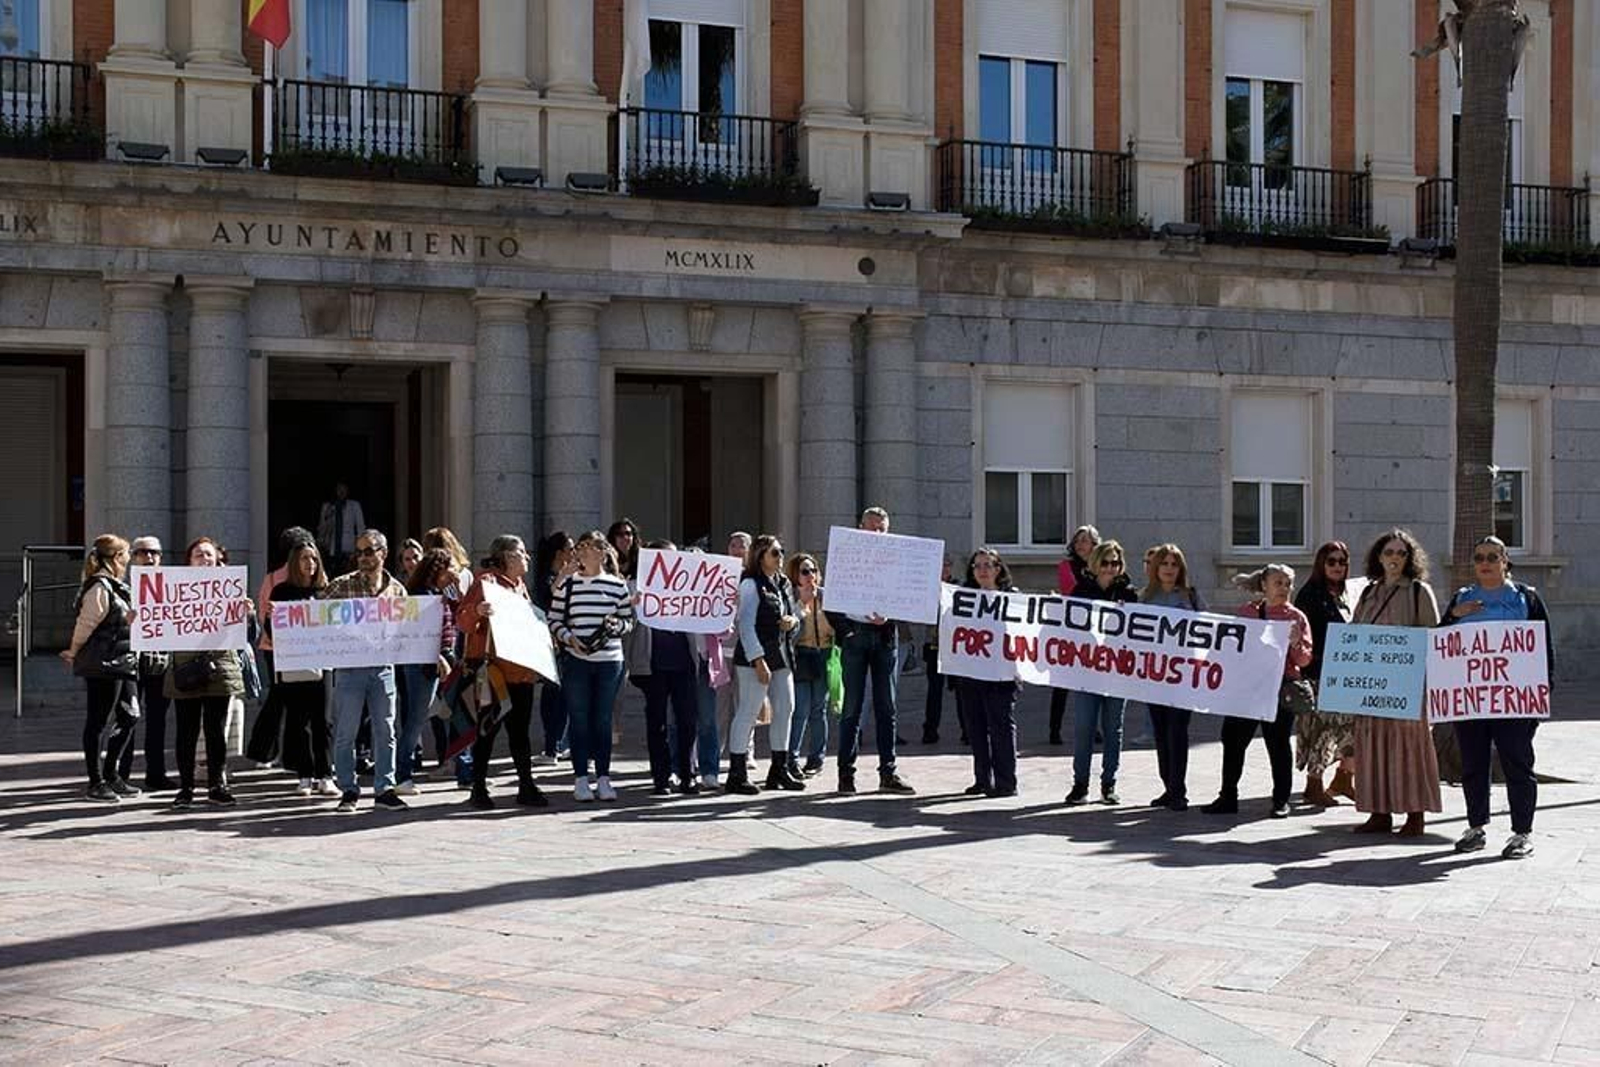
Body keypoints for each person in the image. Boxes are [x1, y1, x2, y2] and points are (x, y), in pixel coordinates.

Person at [1443, 536, 1554, 860]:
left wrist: (1542, 693)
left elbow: (1543, 648)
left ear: (1505, 561)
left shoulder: (1526, 598)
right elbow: (1442, 644)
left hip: (1514, 701)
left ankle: (1522, 833)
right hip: (1472, 701)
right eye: (1479, 557)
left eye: (1493, 556)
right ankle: (1476, 828)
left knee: (1517, 764)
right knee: (1473, 765)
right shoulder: (1462, 597)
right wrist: (1453, 616)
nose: (1486, 563)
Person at [1348, 529, 1442, 837]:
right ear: (1379, 556)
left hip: (1406, 685)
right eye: (1389, 553)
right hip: (1371, 685)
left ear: (1409, 558)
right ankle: (1379, 812)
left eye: (1401, 553)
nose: (1394, 559)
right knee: (1373, 745)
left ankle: (1415, 814)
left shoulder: (1418, 591)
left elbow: (1432, 636)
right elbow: (1355, 633)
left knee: (1409, 748)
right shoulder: (1367, 593)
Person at [1202, 563, 1314, 818]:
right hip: (1247, 690)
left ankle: (1281, 800)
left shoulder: (1297, 617)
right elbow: (1230, 648)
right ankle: (1227, 796)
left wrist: (1296, 642)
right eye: (1278, 582)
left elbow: (1304, 660)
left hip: (1279, 690)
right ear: (1264, 585)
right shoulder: (1247, 613)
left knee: (1278, 745)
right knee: (1233, 741)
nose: (1284, 588)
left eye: (1288, 583)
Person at [320, 528, 409, 813]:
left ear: (383, 553)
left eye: (368, 551)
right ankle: (348, 789)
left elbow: (408, 628)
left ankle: (385, 788)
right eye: (358, 552)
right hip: (350, 669)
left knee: (386, 730)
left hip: (383, 668)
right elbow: (314, 617)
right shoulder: (341, 585)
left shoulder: (397, 589)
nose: (362, 557)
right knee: (346, 731)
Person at [457, 536, 548, 810]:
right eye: (521, 552)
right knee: (487, 731)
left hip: (521, 673)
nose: (527, 557)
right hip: (494, 673)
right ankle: (479, 788)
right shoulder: (486, 582)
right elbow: (462, 618)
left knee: (520, 732)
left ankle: (526, 786)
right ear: (507, 557)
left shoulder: (519, 586)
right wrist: (477, 610)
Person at [828, 507, 915, 795]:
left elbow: (909, 593)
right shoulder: (845, 555)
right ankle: (846, 774)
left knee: (886, 707)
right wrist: (847, 632)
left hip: (885, 638)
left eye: (882, 528)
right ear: (860, 527)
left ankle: (888, 773)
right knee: (852, 707)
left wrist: (890, 615)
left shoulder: (899, 560)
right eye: (872, 527)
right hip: (855, 637)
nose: (877, 532)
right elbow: (832, 600)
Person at [166, 536, 253, 810]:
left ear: (218, 560)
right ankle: (186, 788)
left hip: (220, 669)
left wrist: (247, 616)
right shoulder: (174, 590)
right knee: (186, 732)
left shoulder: (231, 590)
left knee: (216, 731)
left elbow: (246, 637)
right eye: (198, 555)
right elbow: (158, 626)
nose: (204, 559)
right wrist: (140, 620)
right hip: (186, 669)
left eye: (208, 555)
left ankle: (217, 785)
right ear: (189, 562)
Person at [550, 530, 634, 802]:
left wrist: (615, 627)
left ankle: (604, 778)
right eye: (580, 548)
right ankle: (581, 778)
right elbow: (554, 620)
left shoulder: (616, 585)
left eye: (588, 548)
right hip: (577, 661)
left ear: (601, 552)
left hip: (609, 661)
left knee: (603, 719)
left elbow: (628, 621)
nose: (582, 553)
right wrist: (569, 639)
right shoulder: (568, 585)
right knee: (579, 718)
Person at [61, 535, 140, 803]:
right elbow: (86, 624)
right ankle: (96, 782)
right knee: (98, 721)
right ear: (117, 557)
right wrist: (73, 651)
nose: (129, 558)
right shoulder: (99, 588)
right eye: (127, 553)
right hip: (103, 663)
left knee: (130, 716)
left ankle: (111, 774)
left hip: (122, 661)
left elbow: (119, 622)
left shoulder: (118, 587)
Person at [625, 539, 706, 796]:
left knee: (688, 722)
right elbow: (624, 624)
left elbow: (706, 615)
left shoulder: (688, 586)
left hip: (684, 663)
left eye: (673, 557)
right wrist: (632, 606)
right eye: (663, 557)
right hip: (654, 666)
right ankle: (661, 777)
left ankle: (687, 775)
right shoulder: (636, 588)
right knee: (657, 723)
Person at [727, 534, 805, 795]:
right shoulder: (750, 584)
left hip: (782, 654)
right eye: (775, 552)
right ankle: (736, 773)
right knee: (748, 711)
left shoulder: (782, 582)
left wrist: (792, 622)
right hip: (756, 656)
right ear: (761, 556)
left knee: (786, 708)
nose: (780, 556)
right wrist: (757, 660)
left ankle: (779, 769)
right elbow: (746, 625)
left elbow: (792, 613)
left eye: (781, 551)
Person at [1066, 540, 1136, 805]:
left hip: (1117, 672)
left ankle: (1109, 784)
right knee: (1084, 727)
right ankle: (1080, 784)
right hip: (1086, 671)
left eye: (1115, 563)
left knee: (1113, 728)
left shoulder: (1128, 593)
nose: (1110, 568)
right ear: (1095, 564)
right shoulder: (1081, 592)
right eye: (1105, 562)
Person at [1138, 544, 1207, 811]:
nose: (1168, 569)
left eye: (1173, 564)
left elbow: (1210, 627)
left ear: (1181, 569)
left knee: (1177, 731)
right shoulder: (1144, 597)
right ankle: (1168, 787)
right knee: (1161, 732)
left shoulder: (1190, 596)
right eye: (1164, 564)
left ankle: (1179, 790)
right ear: (1155, 568)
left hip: (1183, 676)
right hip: (1155, 676)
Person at [1293, 540, 1358, 807]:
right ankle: (1314, 782)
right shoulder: (1310, 595)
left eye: (1342, 562)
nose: (1337, 566)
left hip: (1347, 671)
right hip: (1319, 673)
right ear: (1321, 563)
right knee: (1323, 728)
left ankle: (1344, 777)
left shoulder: (1348, 594)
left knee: (1351, 726)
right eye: (1331, 561)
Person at [245, 526, 316, 768]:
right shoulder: (277, 579)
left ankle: (265, 751)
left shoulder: (273, 577)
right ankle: (269, 751)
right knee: (286, 700)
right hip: (279, 647)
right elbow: (267, 612)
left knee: (282, 700)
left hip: (276, 647)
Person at [954, 548, 1021, 798]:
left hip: (1002, 674)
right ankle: (982, 779)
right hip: (971, 673)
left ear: (998, 569)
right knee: (976, 727)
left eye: (987, 565)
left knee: (1001, 726)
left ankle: (1006, 782)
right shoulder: (963, 598)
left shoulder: (1012, 597)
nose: (982, 570)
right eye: (977, 566)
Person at [270, 541, 336, 797]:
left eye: (314, 559)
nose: (310, 564)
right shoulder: (281, 592)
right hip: (294, 663)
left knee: (324, 721)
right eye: (305, 559)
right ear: (294, 562)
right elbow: (270, 631)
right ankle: (305, 775)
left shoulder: (325, 592)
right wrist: (272, 618)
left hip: (323, 664)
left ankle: (325, 775)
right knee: (299, 722)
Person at [410, 546, 470, 788]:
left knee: (460, 713)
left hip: (449, 655)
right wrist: (439, 658)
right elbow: (422, 631)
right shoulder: (422, 593)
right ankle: (404, 770)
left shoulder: (444, 591)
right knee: (418, 717)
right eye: (449, 569)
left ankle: (464, 769)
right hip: (432, 660)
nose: (453, 573)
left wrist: (458, 589)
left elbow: (460, 615)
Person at [119, 535, 173, 791]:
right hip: (130, 664)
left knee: (157, 721)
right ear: (133, 557)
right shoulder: (122, 589)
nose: (149, 557)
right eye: (142, 552)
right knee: (128, 717)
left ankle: (156, 774)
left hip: (160, 663)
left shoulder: (171, 589)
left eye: (154, 552)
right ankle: (122, 774)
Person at [422, 526, 476, 767]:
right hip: (460, 641)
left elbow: (456, 606)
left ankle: (452, 758)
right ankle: (460, 758)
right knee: (456, 703)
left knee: (444, 702)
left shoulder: (446, 578)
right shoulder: (466, 573)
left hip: (447, 642)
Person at [1049, 525, 1099, 745]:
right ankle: (1054, 728)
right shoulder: (1066, 566)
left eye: (1085, 540)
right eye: (1078, 540)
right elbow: (1073, 592)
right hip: (1069, 630)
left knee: (1091, 682)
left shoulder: (1100, 567)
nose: (1080, 545)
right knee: (1062, 683)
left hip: (1093, 631)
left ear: (1094, 545)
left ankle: (1093, 727)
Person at [785, 552, 834, 779]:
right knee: (800, 709)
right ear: (796, 575)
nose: (810, 576)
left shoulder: (826, 597)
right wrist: (801, 605)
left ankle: (816, 759)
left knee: (819, 709)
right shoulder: (791, 597)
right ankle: (791, 758)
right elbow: (788, 633)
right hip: (802, 655)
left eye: (813, 570)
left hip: (824, 654)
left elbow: (837, 625)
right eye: (805, 571)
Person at [531, 530, 577, 765]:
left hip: (567, 641)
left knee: (562, 696)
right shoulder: (547, 578)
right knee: (553, 695)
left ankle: (559, 743)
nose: (574, 553)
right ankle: (552, 746)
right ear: (560, 553)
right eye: (570, 549)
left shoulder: (568, 576)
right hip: (552, 643)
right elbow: (550, 598)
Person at [920, 556, 956, 745]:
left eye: (947, 565)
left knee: (960, 690)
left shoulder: (958, 588)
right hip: (935, 645)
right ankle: (930, 729)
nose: (944, 570)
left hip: (956, 647)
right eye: (941, 566)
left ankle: (967, 730)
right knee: (934, 691)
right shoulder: (928, 590)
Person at [316, 480, 366, 573]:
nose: (341, 492)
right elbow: (322, 528)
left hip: (349, 548)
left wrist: (359, 547)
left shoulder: (354, 505)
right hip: (332, 548)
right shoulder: (328, 506)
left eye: (344, 489)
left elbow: (360, 527)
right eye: (339, 489)